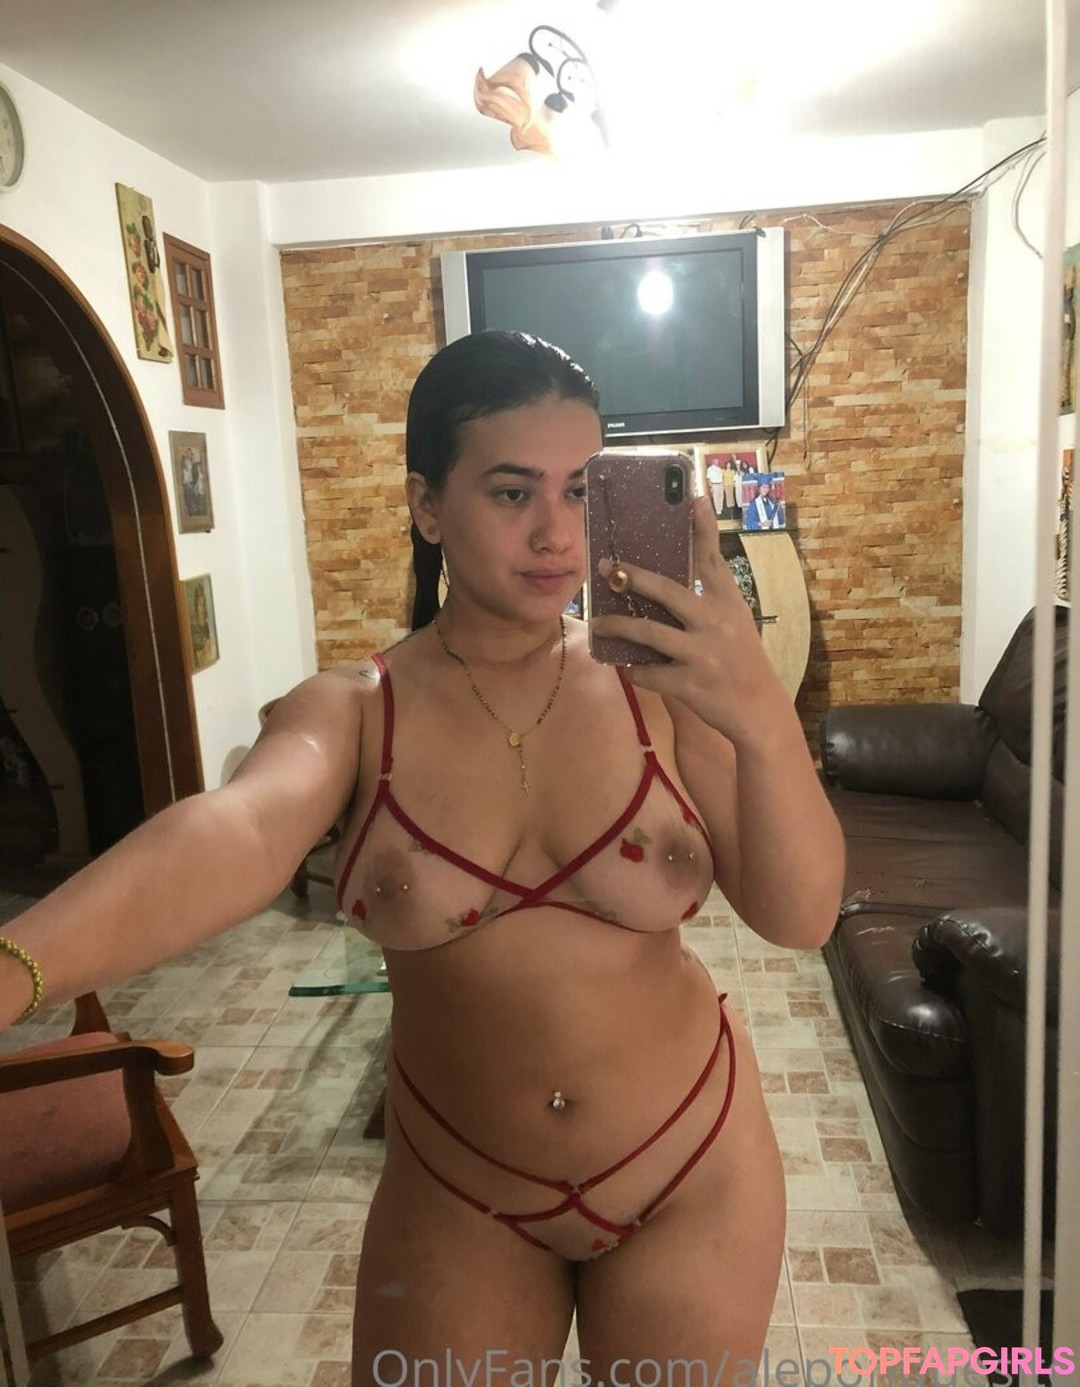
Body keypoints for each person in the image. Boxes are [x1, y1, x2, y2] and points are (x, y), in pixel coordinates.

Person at [0, 330, 844, 1383]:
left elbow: (801, 916)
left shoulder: (663, 691)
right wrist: (14, 967)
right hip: (463, 1189)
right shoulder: (356, 711)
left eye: (581, 491)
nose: (556, 533)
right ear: (427, 505)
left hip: (691, 1168)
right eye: (511, 492)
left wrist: (760, 712)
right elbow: (240, 828)